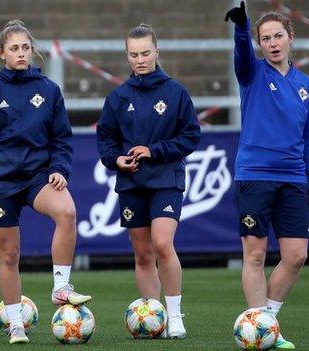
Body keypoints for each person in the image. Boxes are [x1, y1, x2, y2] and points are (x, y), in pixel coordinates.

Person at [0, 19, 92, 344]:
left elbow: (62, 137)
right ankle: (16, 325)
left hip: (37, 176)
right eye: (14, 48)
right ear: (1, 53)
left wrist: (60, 168)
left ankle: (61, 287)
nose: (21, 53)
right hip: (1, 181)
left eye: (25, 47)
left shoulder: (48, 90)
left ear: (32, 51)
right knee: (9, 255)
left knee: (67, 212)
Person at [225, 2, 309, 349]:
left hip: (295, 178)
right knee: (254, 256)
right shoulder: (251, 73)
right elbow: (241, 53)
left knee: (296, 256)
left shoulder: (306, 85)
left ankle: (264, 324)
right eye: (264, 38)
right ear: (260, 44)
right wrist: (242, 27)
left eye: (277, 36)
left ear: (290, 38)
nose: (272, 43)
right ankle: (265, 334)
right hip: (254, 176)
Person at [96, 23, 201, 339]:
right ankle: (153, 317)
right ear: (126, 56)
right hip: (131, 182)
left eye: (145, 53)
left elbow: (191, 136)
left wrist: (154, 151)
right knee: (142, 254)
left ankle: (175, 315)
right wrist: (116, 159)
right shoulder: (118, 97)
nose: (140, 59)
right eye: (133, 54)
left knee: (162, 244)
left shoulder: (175, 92)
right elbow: (105, 139)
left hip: (166, 178)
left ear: (157, 52)